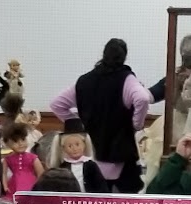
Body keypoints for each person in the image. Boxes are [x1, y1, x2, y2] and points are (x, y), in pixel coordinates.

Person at [52, 39, 152, 193]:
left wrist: (77, 126)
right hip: (121, 153)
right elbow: (143, 98)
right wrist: (136, 124)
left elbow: (56, 104)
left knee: (93, 202)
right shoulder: (127, 79)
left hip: (90, 153)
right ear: (124, 57)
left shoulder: (84, 81)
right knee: (127, 202)